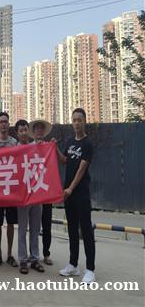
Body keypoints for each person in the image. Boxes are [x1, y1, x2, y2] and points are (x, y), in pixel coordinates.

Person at [53, 108, 96, 284]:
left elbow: (81, 169)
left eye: (79, 120)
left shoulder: (87, 144)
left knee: (85, 230)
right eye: (74, 120)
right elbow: (65, 160)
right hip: (68, 193)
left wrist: (70, 188)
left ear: (84, 121)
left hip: (80, 193)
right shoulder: (70, 142)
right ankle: (73, 264)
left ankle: (90, 269)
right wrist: (55, 148)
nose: (77, 123)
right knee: (71, 229)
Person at [15, 119, 45, 275]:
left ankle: (35, 258)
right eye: (21, 131)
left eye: (26, 130)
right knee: (22, 229)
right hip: (22, 196)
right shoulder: (14, 151)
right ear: (17, 133)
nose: (24, 133)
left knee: (35, 228)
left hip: (36, 193)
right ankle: (22, 259)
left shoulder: (36, 147)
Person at [0, 112, 18, 268]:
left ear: (9, 123)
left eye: (6, 121)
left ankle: (9, 254)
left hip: (11, 189)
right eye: (1, 122)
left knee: (11, 223)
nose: (3, 124)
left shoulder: (14, 143)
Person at [28, 118, 54, 266]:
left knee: (47, 224)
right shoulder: (28, 147)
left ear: (44, 131)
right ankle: (33, 253)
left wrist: (53, 146)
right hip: (33, 191)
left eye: (41, 128)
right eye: (36, 128)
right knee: (33, 225)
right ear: (33, 132)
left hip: (46, 190)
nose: (39, 130)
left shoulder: (49, 147)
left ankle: (46, 253)